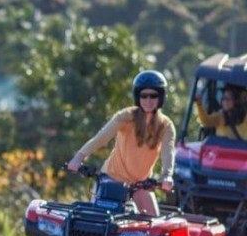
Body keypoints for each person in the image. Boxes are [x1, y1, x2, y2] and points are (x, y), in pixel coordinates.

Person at [67, 70, 175, 216]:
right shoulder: (127, 116)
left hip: (140, 184)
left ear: (161, 97)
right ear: (138, 97)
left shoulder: (166, 125)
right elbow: (102, 138)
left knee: (154, 225)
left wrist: (167, 176)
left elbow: (168, 153)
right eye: (144, 96)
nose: (148, 101)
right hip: (112, 178)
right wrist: (79, 157)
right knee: (98, 220)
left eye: (153, 96)